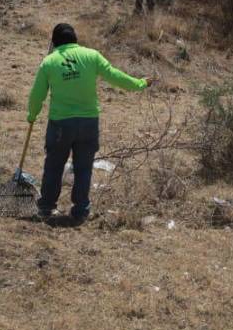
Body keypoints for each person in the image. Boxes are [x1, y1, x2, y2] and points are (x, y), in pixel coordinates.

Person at [27, 23, 150, 223]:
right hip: (88, 122)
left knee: (54, 166)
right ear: (75, 39)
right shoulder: (92, 56)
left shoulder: (49, 62)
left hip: (60, 124)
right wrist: (139, 83)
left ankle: (47, 207)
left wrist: (32, 115)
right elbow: (115, 75)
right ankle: (80, 211)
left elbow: (36, 95)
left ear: (54, 42)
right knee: (84, 167)